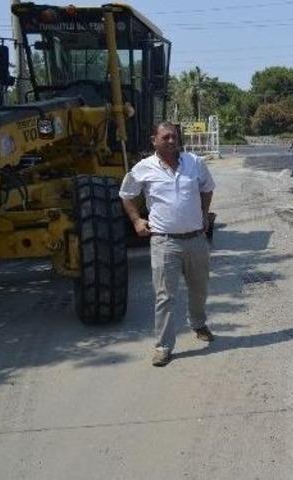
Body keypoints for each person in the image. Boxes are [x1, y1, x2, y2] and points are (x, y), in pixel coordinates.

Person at [120, 122, 216, 367]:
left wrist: (205, 214)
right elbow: (126, 194)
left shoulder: (195, 162)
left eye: (174, 137)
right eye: (166, 137)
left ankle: (198, 323)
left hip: (196, 239)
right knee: (165, 297)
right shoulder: (144, 168)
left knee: (200, 289)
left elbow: (207, 188)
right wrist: (136, 220)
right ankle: (163, 346)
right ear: (154, 140)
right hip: (165, 242)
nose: (172, 141)